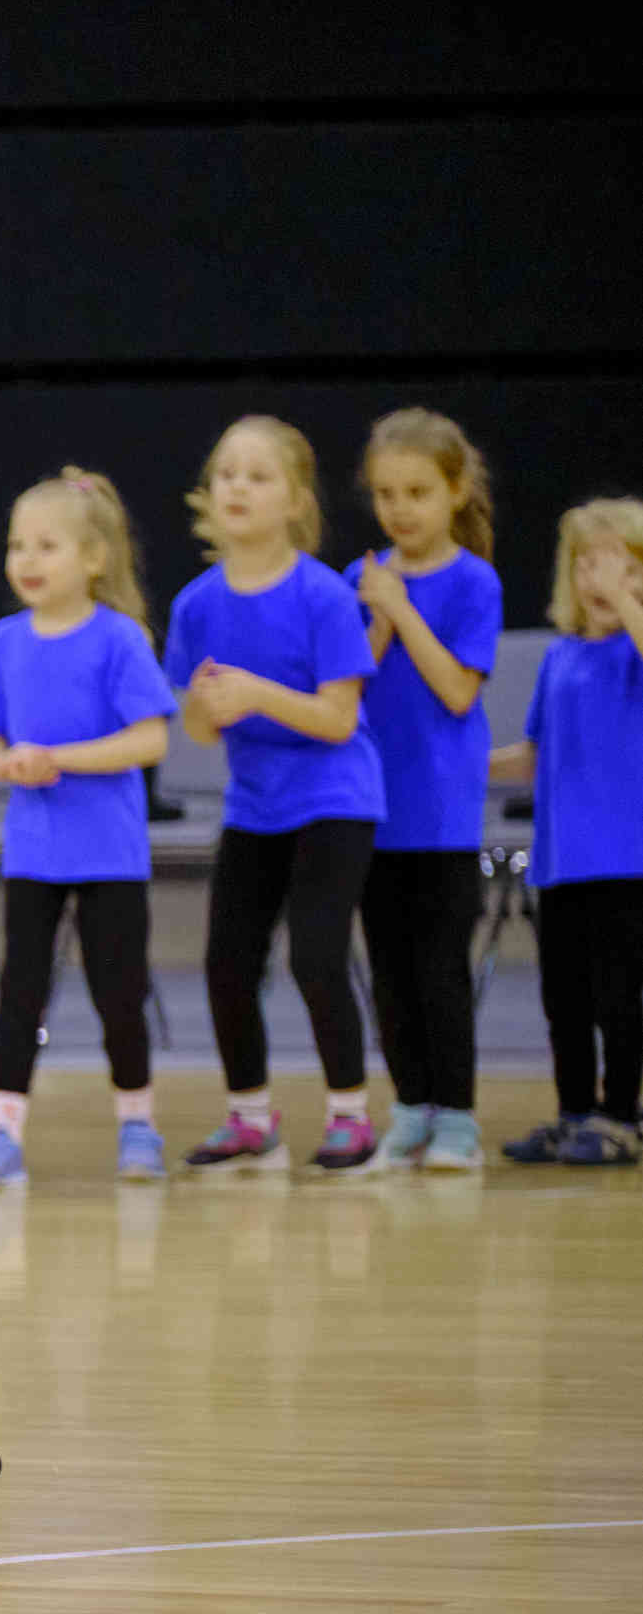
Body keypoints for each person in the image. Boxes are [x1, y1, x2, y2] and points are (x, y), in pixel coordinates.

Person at [167, 415, 385, 1177]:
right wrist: (204, 704)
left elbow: (337, 717)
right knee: (227, 961)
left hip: (333, 795)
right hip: (254, 803)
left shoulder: (323, 597)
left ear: (294, 500)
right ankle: (250, 1117)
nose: (236, 487)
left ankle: (350, 1115)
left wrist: (255, 693)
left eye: (257, 476)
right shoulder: (196, 605)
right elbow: (194, 727)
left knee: (317, 955)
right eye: (225, 472)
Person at [0, 469, 174, 1189]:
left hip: (109, 852)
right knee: (21, 990)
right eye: (18, 544)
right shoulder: (0, 641)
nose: (27, 560)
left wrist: (60, 760)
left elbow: (148, 742)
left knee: (119, 992)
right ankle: (1, 1131)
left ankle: (137, 1124)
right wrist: (8, 765)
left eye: (47, 545)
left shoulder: (118, 639)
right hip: (33, 854)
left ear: (93, 558)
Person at [343, 409, 499, 1173]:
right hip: (370, 808)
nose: (399, 509)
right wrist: (374, 614)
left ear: (453, 491)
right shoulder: (360, 577)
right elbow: (347, 688)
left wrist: (401, 609)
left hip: (439, 812)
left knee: (440, 969)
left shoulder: (474, 581)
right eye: (384, 493)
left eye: (415, 492)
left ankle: (458, 1120)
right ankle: (409, 1108)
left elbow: (455, 691)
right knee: (389, 971)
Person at [490, 498, 643, 1167]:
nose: (600, 579)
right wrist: (459, 760)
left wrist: (626, 601)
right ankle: (574, 1110)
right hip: (560, 859)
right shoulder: (559, 656)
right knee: (565, 1000)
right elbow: (532, 753)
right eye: (587, 563)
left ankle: (619, 1116)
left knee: (619, 998)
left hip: (626, 859)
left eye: (621, 564)